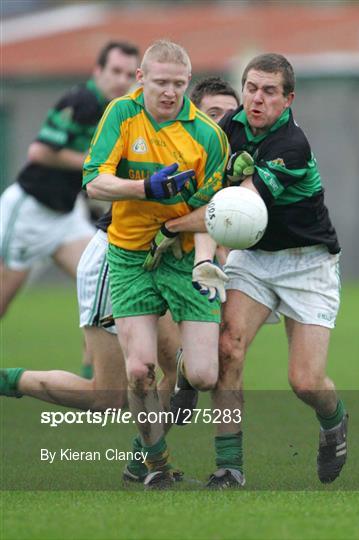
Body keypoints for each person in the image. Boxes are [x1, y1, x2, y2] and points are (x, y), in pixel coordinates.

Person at [83, 39, 230, 489]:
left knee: (204, 375)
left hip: (182, 257)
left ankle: (186, 371)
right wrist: (146, 189)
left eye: (179, 84)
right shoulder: (122, 114)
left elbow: (211, 210)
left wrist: (186, 239)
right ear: (141, 79)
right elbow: (94, 182)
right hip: (129, 256)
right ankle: (156, 463)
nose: (170, 92)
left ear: (188, 82)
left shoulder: (208, 135)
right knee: (139, 370)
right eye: (161, 82)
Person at [202, 53, 347, 488]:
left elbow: (236, 208)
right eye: (251, 88)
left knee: (304, 382)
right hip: (255, 259)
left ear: (289, 99)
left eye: (269, 91)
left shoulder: (291, 147)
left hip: (309, 262)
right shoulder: (228, 127)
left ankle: (334, 421)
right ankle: (230, 467)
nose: (257, 99)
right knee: (228, 348)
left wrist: (174, 224)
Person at [0, 41, 139, 317]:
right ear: (97, 71)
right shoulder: (82, 101)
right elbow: (38, 152)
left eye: (129, 74)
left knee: (104, 287)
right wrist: (93, 165)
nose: (121, 80)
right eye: (115, 70)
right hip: (31, 210)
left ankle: (96, 362)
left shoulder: (118, 112)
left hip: (66, 216)